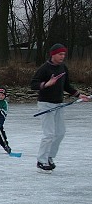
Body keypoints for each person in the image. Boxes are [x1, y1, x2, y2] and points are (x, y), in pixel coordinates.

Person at [30, 43, 90, 172]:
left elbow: (66, 85)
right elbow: (33, 84)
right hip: (46, 104)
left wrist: (79, 95)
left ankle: (49, 157)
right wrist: (47, 84)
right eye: (60, 54)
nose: (62, 56)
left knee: (60, 133)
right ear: (53, 54)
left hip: (59, 105)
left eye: (64, 54)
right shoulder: (44, 68)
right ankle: (41, 161)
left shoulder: (63, 67)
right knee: (49, 134)